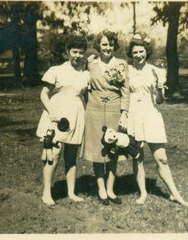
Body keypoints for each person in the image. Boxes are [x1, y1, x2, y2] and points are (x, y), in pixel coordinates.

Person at [126, 34, 188, 206]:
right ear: (131, 54)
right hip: (133, 114)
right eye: (135, 52)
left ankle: (175, 194)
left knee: (161, 158)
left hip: (151, 114)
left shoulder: (156, 71)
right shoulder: (126, 71)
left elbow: (160, 101)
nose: (138, 55)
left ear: (147, 52)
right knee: (137, 156)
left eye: (141, 51)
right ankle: (143, 193)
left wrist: (160, 90)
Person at [36, 33, 89, 206]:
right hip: (57, 116)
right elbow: (43, 94)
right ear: (68, 51)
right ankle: (47, 192)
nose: (78, 55)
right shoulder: (56, 70)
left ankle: (71, 192)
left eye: (81, 52)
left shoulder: (86, 74)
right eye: (74, 51)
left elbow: (87, 97)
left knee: (71, 156)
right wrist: (52, 112)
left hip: (76, 115)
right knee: (54, 152)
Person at [81, 30, 130, 205]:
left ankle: (111, 189)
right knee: (97, 150)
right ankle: (101, 189)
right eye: (104, 44)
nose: (107, 47)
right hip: (93, 110)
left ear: (114, 46)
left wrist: (124, 113)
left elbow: (125, 91)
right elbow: (86, 87)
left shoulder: (122, 64)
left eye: (110, 44)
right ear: (98, 46)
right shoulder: (91, 64)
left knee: (112, 149)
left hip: (114, 109)